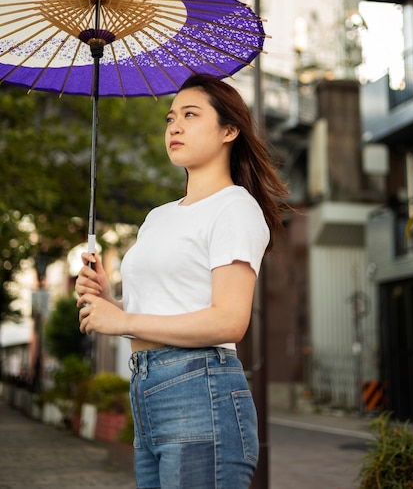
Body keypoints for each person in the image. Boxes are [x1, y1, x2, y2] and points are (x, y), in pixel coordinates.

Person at [75, 73, 288, 489]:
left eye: (190, 115)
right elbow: (161, 312)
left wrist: (123, 323)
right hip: (146, 391)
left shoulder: (235, 208)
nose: (174, 126)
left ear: (229, 130)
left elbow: (228, 322)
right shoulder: (159, 216)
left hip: (200, 391)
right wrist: (110, 301)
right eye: (170, 117)